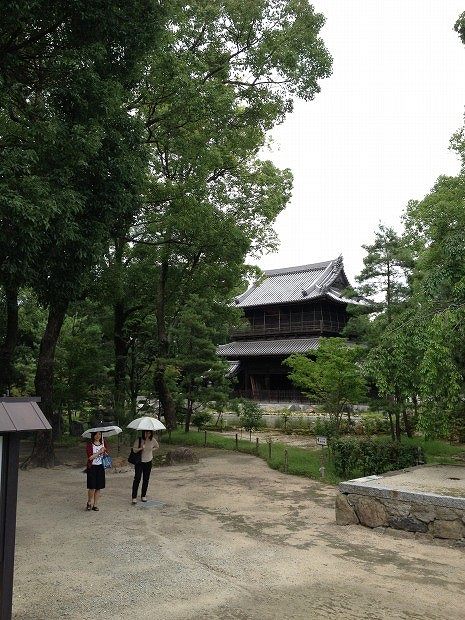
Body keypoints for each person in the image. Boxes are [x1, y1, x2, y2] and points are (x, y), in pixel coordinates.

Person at [131, 430, 159, 504]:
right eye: (146, 432)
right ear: (143, 433)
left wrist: (151, 450)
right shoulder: (139, 440)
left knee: (146, 479)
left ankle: (143, 495)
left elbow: (157, 446)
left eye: (149, 433)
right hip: (139, 462)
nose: (147, 434)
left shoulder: (152, 440)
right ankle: (134, 497)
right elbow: (134, 450)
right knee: (137, 478)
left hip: (148, 461)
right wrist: (141, 448)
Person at [85, 431, 109, 511]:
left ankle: (95, 505)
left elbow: (105, 455)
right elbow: (90, 458)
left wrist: (104, 452)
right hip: (92, 467)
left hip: (100, 467)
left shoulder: (103, 443)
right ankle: (89, 502)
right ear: (93, 435)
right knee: (92, 487)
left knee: (98, 487)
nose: (98, 436)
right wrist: (99, 452)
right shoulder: (90, 445)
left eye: (99, 434)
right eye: (96, 434)